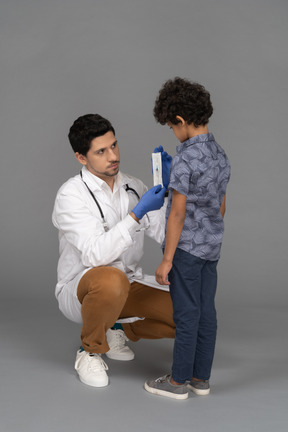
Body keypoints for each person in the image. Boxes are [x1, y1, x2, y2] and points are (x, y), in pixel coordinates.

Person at [52, 113, 175, 388]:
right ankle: (90, 350)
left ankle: (116, 328)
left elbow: (166, 237)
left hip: (128, 284)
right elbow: (95, 256)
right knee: (110, 278)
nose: (113, 156)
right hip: (82, 289)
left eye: (114, 145)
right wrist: (136, 215)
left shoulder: (134, 186)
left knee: (191, 315)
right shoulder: (70, 195)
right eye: (101, 151)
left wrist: (171, 191)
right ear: (81, 158)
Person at [144, 77, 231, 400]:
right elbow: (220, 205)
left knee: (185, 313)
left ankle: (177, 382)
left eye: (171, 127)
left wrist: (167, 258)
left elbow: (177, 212)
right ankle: (200, 378)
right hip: (211, 248)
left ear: (180, 121)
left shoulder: (185, 159)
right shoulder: (220, 155)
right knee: (207, 312)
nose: (173, 132)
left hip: (185, 250)